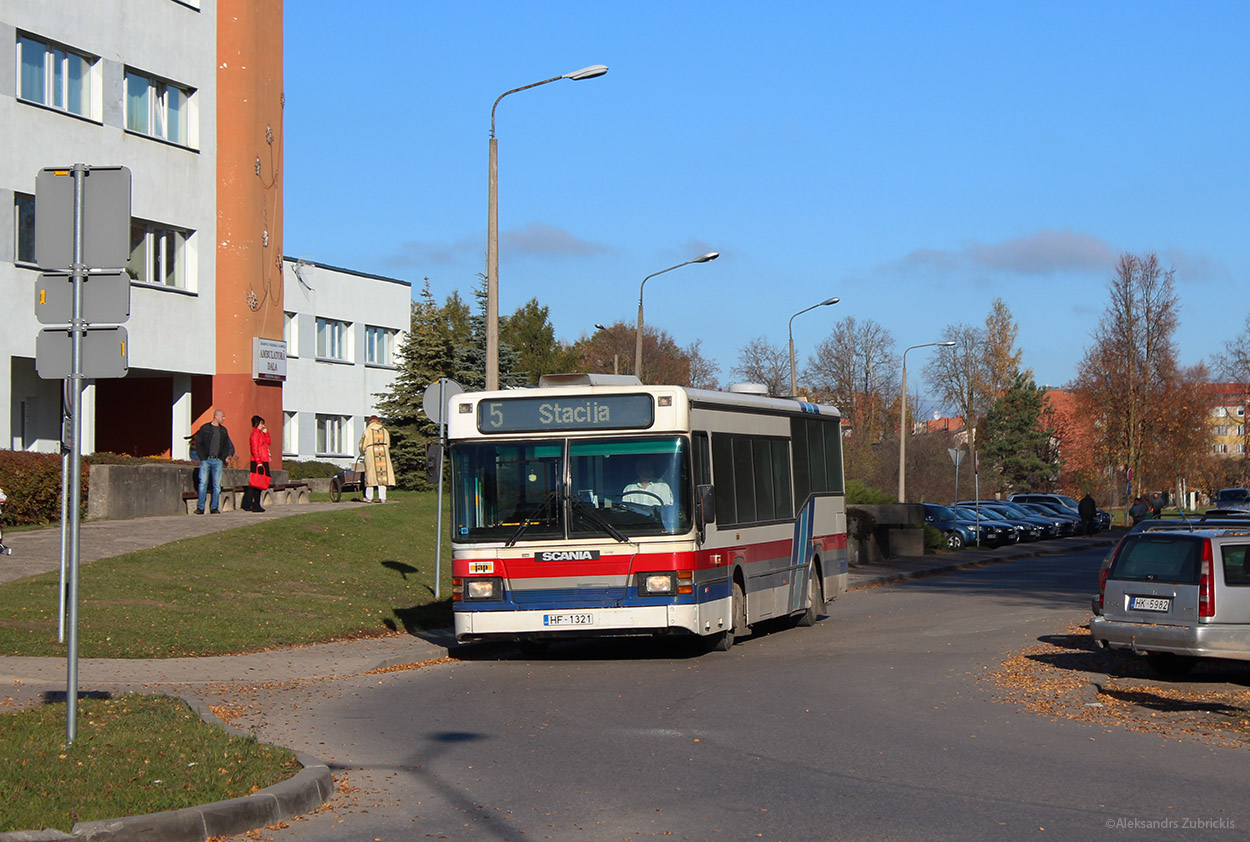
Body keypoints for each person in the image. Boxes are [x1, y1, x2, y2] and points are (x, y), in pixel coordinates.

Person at [194, 409, 235, 514]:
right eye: (223, 417)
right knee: (203, 483)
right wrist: (202, 458)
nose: (224, 419)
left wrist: (223, 458)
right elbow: (199, 444)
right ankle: (200, 507)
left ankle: (214, 507)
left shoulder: (223, 431)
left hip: (217, 460)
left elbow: (226, 446)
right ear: (216, 417)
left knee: (216, 485)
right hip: (206, 460)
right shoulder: (205, 428)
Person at [359, 415, 395, 503]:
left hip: (371, 452)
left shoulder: (368, 431)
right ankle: (382, 498)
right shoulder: (384, 431)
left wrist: (362, 452)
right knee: (383, 475)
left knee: (370, 475)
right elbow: (388, 443)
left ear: (370, 422)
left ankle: (369, 497)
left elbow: (362, 444)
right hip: (383, 452)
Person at [242, 415, 271, 513]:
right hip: (258, 461)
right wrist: (259, 463)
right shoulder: (254, 435)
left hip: (263, 459)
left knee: (262, 482)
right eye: (262, 423)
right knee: (257, 483)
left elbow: (268, 443)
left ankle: (256, 503)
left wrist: (266, 433)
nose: (263, 425)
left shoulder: (260, 434)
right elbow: (254, 449)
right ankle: (254, 504)